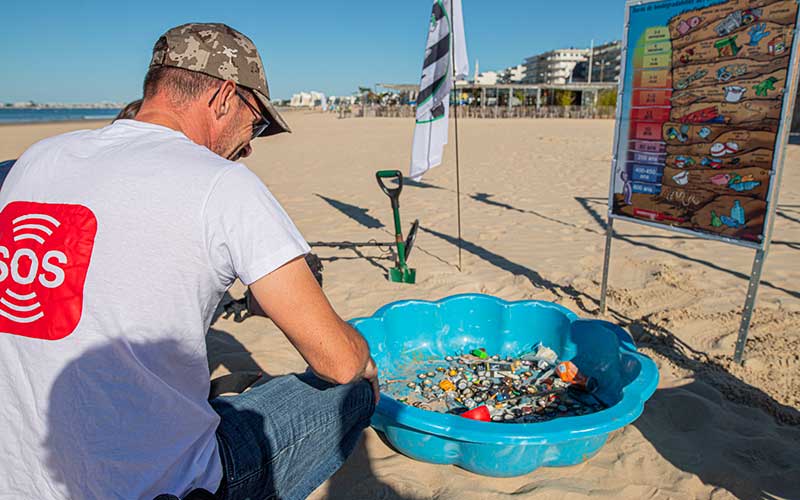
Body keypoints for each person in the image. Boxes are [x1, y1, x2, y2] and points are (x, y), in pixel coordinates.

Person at [0, 23, 377, 500]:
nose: (250, 145)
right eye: (256, 122)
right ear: (223, 96)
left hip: (19, 480)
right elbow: (338, 361)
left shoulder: (36, 160)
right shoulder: (221, 185)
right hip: (162, 489)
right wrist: (361, 355)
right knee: (354, 388)